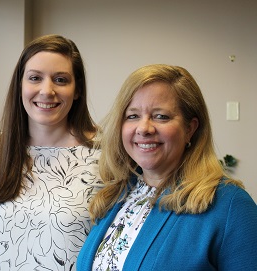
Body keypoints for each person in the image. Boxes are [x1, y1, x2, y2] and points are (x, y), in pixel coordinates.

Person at [77, 64, 257, 270]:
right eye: (133, 116)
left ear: (190, 129)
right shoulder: (115, 196)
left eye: (161, 116)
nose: (144, 128)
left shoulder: (230, 205)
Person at [0, 34, 103, 270]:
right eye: (35, 78)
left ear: (77, 89)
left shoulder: (104, 154)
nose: (46, 91)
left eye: (60, 79)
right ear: (20, 85)